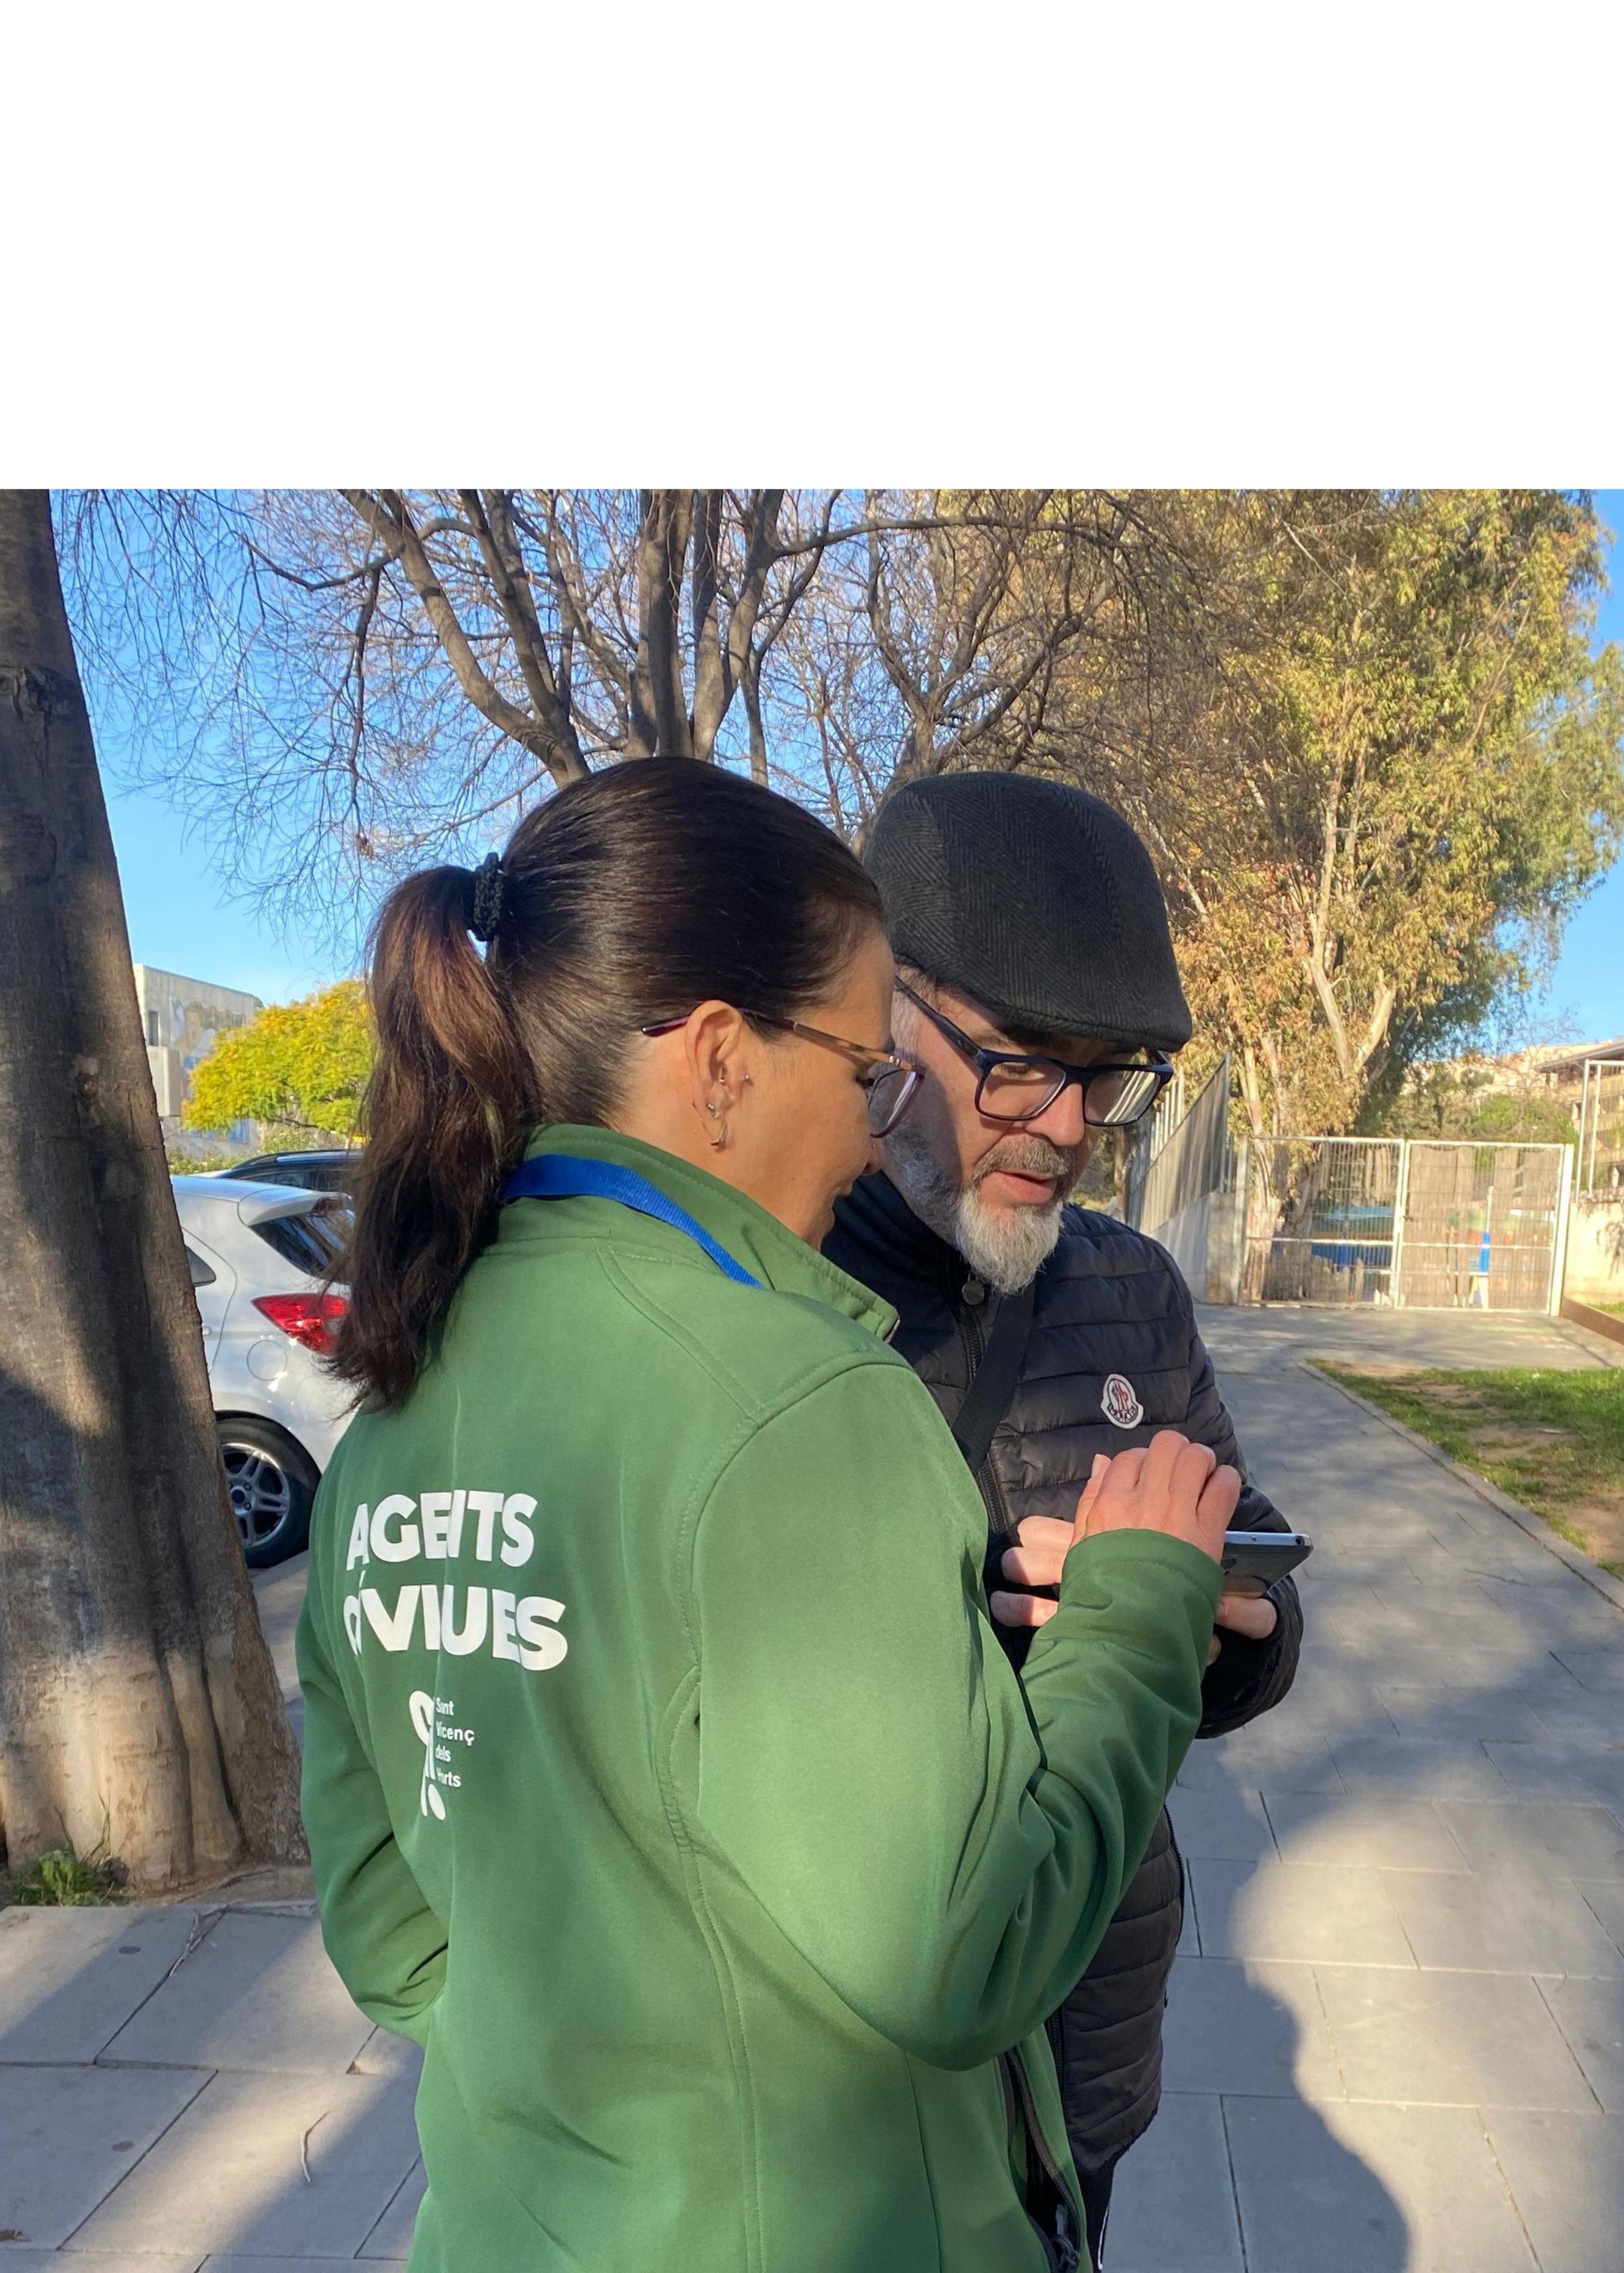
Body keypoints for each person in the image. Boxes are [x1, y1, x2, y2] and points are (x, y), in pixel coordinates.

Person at [295, 759, 1243, 2273]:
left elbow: (394, 1938)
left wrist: (617, 2059)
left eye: (1105, 1079)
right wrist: (1134, 1617)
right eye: (869, 1068)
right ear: (722, 1060)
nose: (872, 1128)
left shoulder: (399, 1403)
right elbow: (960, 1954)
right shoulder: (797, 1388)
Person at [824, 770, 1306, 2251]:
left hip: (1084, 2021)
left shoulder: (1129, 1288)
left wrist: (1213, 1623)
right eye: (1023, 1062)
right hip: (856, 2057)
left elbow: (1265, 1596)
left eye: (1107, 1078)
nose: (1069, 1126)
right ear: (879, 1013)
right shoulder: (773, 1285)